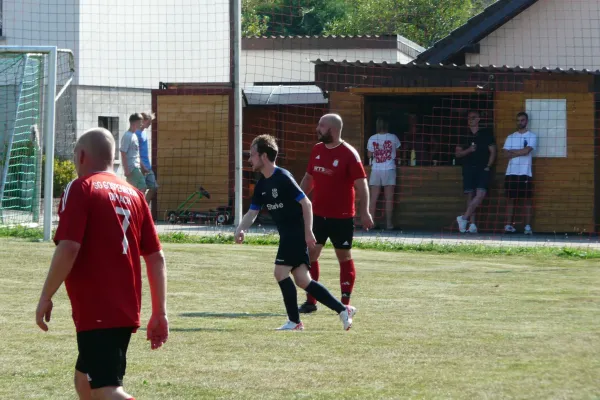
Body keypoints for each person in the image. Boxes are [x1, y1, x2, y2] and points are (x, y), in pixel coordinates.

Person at [35, 128, 169, 400]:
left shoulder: (81, 187)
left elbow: (69, 247)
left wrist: (46, 296)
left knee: (106, 389)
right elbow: (156, 257)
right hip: (124, 308)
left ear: (81, 155)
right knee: (84, 381)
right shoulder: (134, 194)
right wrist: (159, 312)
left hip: (98, 308)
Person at [234, 134, 356, 331]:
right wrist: (240, 229)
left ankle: (295, 321)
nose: (249, 159)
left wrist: (308, 232)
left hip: (295, 234)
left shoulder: (282, 177)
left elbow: (306, 203)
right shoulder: (262, 185)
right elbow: (253, 212)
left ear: (264, 156)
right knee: (302, 280)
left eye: (252, 155)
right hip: (288, 235)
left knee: (280, 272)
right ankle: (343, 310)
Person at [298, 113, 374, 314]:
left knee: (344, 257)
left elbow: (362, 185)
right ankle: (311, 301)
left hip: (342, 217)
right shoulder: (317, 150)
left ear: (332, 129)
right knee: (311, 255)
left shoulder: (349, 154)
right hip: (318, 215)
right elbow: (308, 178)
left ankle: (345, 303)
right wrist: (296, 199)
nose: (317, 129)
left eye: (321, 126)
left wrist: (365, 211)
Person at [455, 110, 497, 233]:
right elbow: (457, 154)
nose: (470, 120)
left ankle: (463, 218)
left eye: (473, 118)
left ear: (478, 119)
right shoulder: (464, 135)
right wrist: (469, 150)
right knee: (470, 195)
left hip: (482, 168)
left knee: (480, 194)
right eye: (469, 118)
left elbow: (493, 151)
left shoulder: (486, 133)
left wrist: (488, 166)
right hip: (468, 168)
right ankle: (471, 224)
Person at [503, 112, 537, 234]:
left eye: (522, 120)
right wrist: (520, 151)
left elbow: (527, 151)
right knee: (510, 199)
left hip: (525, 173)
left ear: (526, 121)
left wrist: (513, 152)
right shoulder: (510, 137)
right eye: (518, 120)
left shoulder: (532, 136)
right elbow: (505, 154)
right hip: (511, 172)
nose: (520, 122)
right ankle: (508, 225)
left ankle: (527, 227)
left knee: (527, 200)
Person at [367, 117, 401, 230]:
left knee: (373, 198)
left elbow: (369, 155)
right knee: (389, 199)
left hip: (376, 169)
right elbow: (398, 152)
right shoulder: (393, 137)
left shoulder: (372, 138)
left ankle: (371, 224)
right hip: (389, 169)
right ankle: (389, 224)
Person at [135, 112, 159, 204]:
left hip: (147, 166)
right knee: (141, 189)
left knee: (154, 187)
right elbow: (136, 153)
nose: (150, 124)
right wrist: (142, 166)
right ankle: (140, 210)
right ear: (143, 121)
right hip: (141, 167)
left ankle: (144, 206)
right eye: (149, 122)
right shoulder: (136, 134)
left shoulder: (144, 132)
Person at [120, 113, 147, 194]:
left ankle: (135, 205)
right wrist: (126, 170)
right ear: (134, 123)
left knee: (139, 189)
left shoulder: (134, 135)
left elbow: (136, 153)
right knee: (140, 188)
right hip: (132, 168)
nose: (142, 124)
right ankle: (135, 205)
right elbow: (123, 152)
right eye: (140, 122)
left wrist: (142, 166)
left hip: (136, 167)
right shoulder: (127, 136)